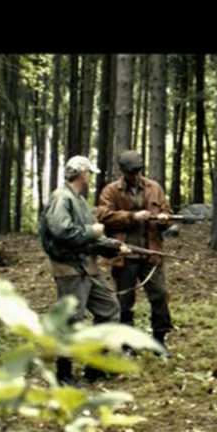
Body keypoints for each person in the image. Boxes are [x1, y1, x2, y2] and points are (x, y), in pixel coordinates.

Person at [39, 155, 132, 385]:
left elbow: (91, 238)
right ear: (81, 174)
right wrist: (93, 231)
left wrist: (114, 247)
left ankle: (95, 366)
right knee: (72, 320)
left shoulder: (79, 200)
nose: (90, 178)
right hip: (70, 269)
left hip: (88, 268)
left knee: (109, 310)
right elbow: (63, 232)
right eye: (89, 173)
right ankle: (63, 374)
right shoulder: (61, 198)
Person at [96, 150, 174, 347]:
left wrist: (164, 219)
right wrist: (132, 217)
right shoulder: (111, 191)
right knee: (124, 301)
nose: (136, 175)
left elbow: (167, 212)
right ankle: (127, 343)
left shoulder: (154, 188)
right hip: (125, 254)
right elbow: (103, 216)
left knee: (160, 296)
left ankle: (159, 340)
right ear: (123, 171)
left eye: (138, 171)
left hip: (151, 252)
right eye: (132, 172)